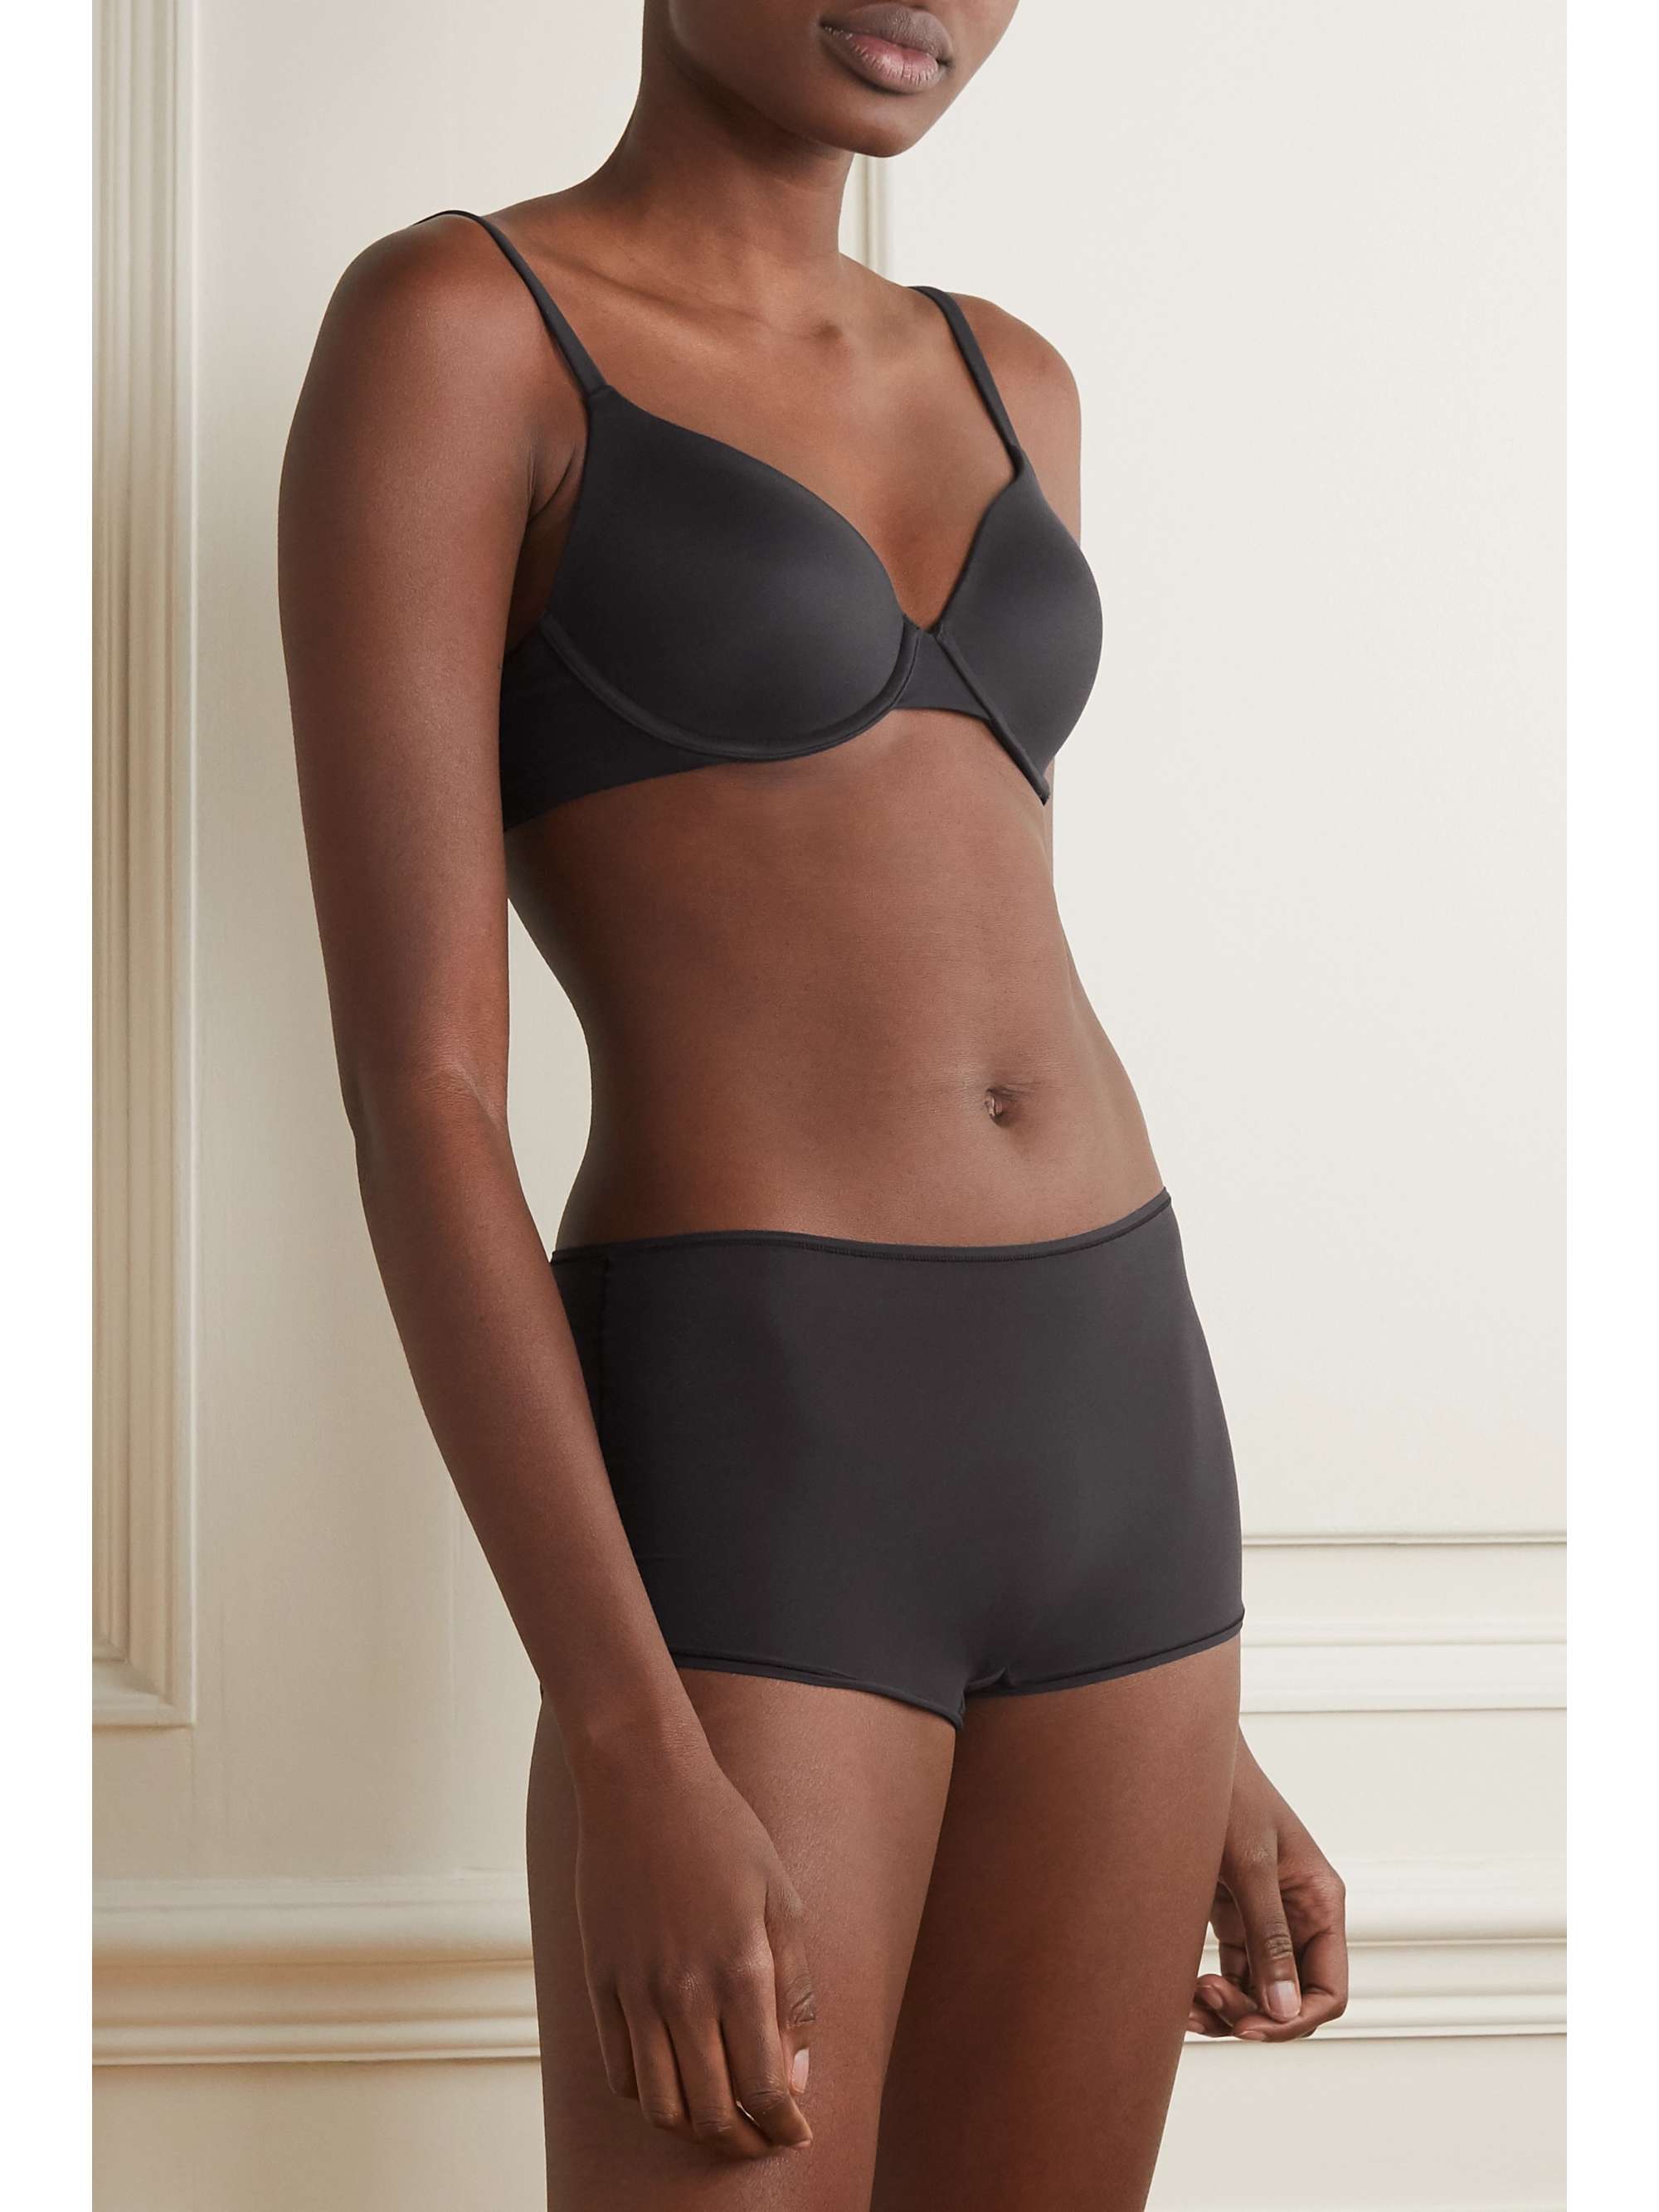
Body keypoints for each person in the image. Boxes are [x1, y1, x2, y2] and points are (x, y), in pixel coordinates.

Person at [279, 4, 1348, 2204]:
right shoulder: (462, 326)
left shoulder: (1009, 377)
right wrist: (626, 1736)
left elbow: (965, 920)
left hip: (1121, 1423)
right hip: (766, 1432)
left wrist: (1202, 1738)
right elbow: (422, 1093)